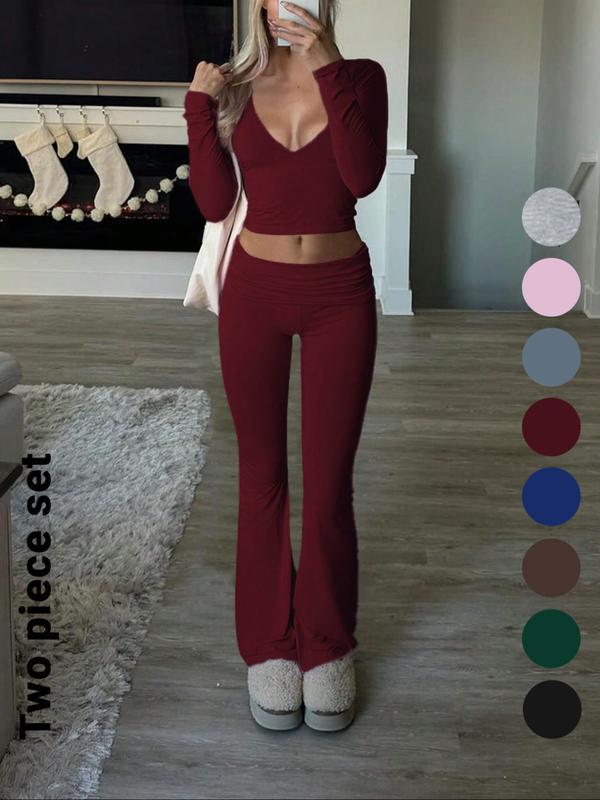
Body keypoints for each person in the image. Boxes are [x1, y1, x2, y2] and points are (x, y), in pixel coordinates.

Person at [183, 0, 388, 732]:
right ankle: (270, 644)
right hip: (256, 294)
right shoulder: (235, 88)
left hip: (340, 295)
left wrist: (329, 66)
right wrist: (198, 110)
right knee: (261, 474)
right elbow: (215, 202)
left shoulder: (362, 77)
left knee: (329, 481)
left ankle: (327, 645)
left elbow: (361, 178)